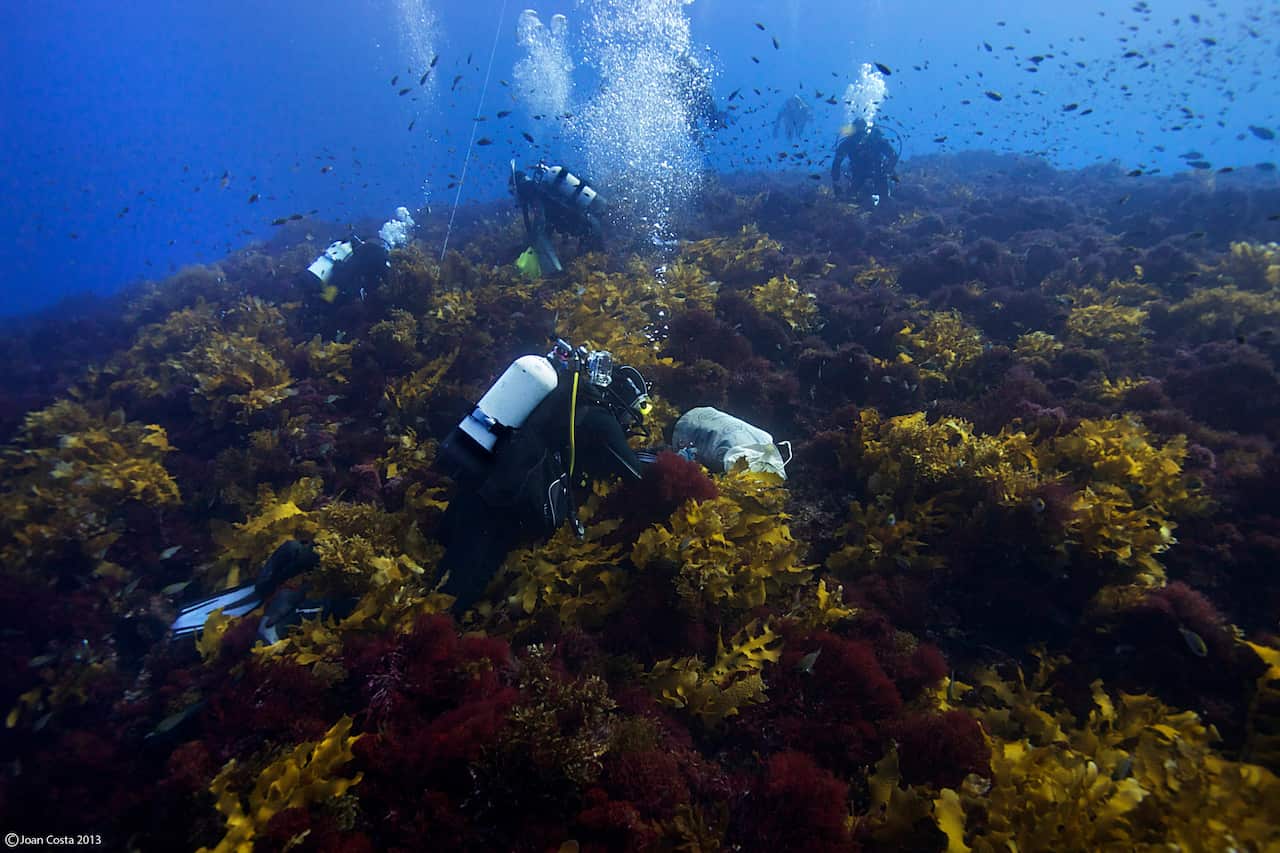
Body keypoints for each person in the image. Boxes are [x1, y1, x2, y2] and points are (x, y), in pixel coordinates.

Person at [435, 340, 654, 612]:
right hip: (505, 500)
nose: (633, 421)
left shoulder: (565, 394)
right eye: (639, 410)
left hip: (483, 471)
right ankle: (428, 635)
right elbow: (635, 473)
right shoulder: (601, 420)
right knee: (463, 586)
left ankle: (420, 614)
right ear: (623, 400)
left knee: (445, 563)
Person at [510, 161, 606, 277]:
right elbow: (549, 224)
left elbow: (540, 220)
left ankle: (555, 273)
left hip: (589, 228)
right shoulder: (543, 190)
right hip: (591, 224)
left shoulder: (533, 192)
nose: (514, 196)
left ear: (518, 187)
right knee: (595, 264)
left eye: (512, 192)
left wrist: (533, 240)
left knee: (593, 270)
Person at [304, 207, 416, 302]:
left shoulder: (365, 247)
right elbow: (384, 279)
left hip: (324, 278)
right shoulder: (380, 254)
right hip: (337, 288)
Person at [830, 120, 901, 206]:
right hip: (868, 173)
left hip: (873, 173)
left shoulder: (873, 140)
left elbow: (836, 164)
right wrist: (888, 169)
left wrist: (836, 185)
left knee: (853, 198)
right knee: (852, 199)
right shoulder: (849, 143)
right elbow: (893, 156)